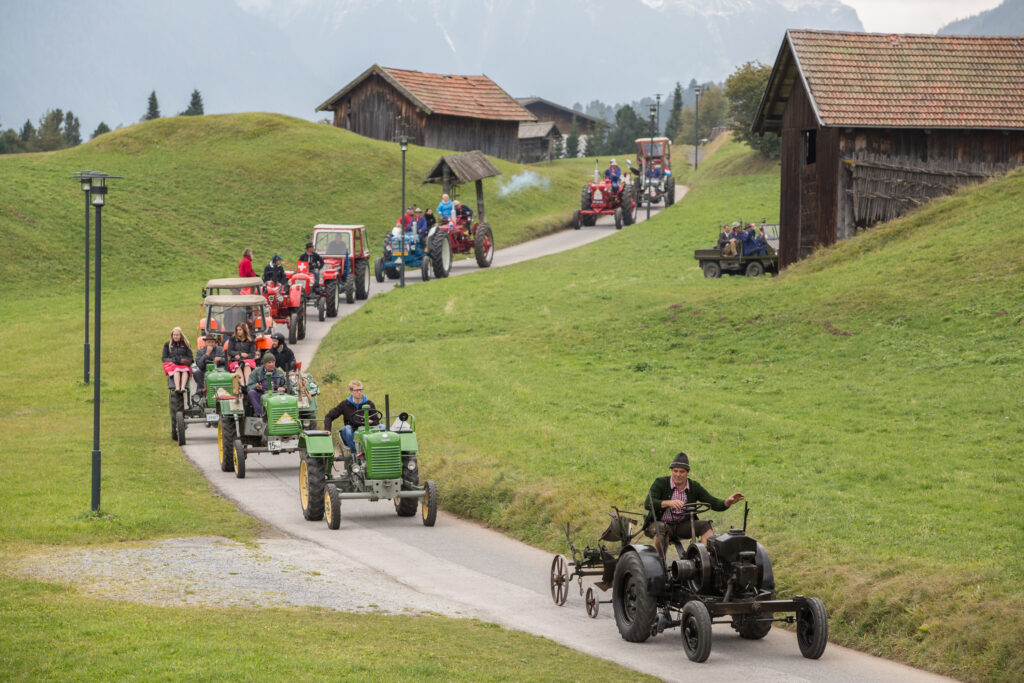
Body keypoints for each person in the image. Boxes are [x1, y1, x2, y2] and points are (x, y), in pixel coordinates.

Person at [644, 452, 744, 556]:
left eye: (681, 472)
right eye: (675, 471)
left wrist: (727, 502)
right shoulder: (660, 483)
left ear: (688, 472)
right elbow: (648, 503)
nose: (678, 475)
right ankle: (661, 563)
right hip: (661, 523)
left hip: (683, 525)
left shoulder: (694, 486)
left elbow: (713, 502)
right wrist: (669, 503)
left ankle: (706, 560)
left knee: (706, 525)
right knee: (661, 531)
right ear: (671, 471)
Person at [323, 380, 381, 456]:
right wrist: (327, 429)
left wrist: (370, 422)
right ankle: (355, 454)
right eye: (356, 390)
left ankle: (380, 452)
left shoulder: (369, 404)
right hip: (352, 432)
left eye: (360, 390)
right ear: (351, 392)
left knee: (383, 427)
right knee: (347, 428)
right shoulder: (344, 404)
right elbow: (329, 416)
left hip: (367, 431)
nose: (359, 392)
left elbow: (376, 421)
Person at [245, 352, 290, 417]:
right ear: (264, 363)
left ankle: (280, 414)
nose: (271, 364)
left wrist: (283, 388)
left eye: (273, 362)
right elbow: (249, 386)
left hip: (276, 395)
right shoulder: (256, 372)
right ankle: (260, 414)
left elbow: (288, 384)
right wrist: (256, 386)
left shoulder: (279, 373)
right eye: (269, 362)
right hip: (261, 395)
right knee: (251, 393)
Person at [162, 327, 194, 393]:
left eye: (177, 335)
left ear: (180, 335)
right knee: (176, 370)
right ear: (172, 335)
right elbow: (164, 358)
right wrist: (174, 360)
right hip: (172, 364)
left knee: (185, 371)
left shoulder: (186, 344)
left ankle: (183, 387)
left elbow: (190, 358)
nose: (175, 336)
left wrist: (185, 361)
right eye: (174, 335)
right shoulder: (167, 344)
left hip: (183, 364)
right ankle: (177, 387)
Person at [226, 322, 257, 387]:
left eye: (240, 330)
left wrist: (247, 355)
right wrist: (239, 354)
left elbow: (253, 354)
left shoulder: (251, 340)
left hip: (247, 359)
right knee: (237, 366)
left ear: (244, 330)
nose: (238, 332)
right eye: (237, 330)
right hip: (235, 359)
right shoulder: (232, 339)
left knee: (247, 365)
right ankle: (242, 384)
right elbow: (229, 351)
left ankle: (248, 384)